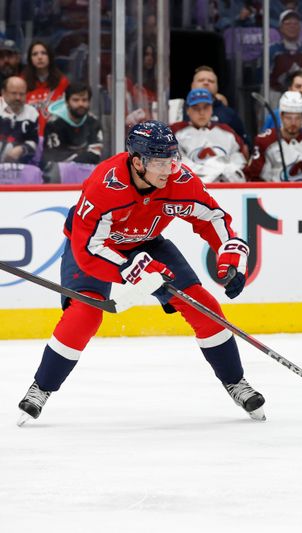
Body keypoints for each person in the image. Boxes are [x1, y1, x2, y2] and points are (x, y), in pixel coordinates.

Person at [16, 120, 265, 425]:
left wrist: (227, 255)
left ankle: (235, 382)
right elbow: (88, 249)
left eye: (172, 159)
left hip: (148, 243)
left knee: (203, 305)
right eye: (160, 162)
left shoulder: (178, 180)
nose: (168, 168)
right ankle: (41, 388)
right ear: (137, 162)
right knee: (85, 314)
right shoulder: (105, 185)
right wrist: (131, 269)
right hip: (95, 248)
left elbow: (211, 217)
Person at [245, 91, 302, 182]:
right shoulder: (265, 142)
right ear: (281, 116)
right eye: (289, 118)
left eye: (298, 118)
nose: (293, 123)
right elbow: (257, 179)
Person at [171, 88, 248, 183]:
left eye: (206, 107)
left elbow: (240, 162)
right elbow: (176, 163)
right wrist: (210, 172)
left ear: (212, 109)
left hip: (227, 187)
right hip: (193, 188)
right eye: (196, 108)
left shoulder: (227, 132)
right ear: (188, 111)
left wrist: (225, 170)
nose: (201, 113)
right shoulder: (177, 133)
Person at [41, 82, 103, 177]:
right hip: (58, 175)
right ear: (67, 102)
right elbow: (53, 156)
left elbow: (94, 155)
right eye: (76, 100)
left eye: (84, 100)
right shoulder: (53, 123)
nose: (80, 104)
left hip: (86, 173)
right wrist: (81, 154)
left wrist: (72, 157)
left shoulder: (93, 122)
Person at [188, 66, 249, 148]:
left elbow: (244, 146)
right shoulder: (178, 109)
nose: (206, 83)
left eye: (211, 81)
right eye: (201, 80)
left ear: (217, 86)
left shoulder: (229, 114)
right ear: (192, 85)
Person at [22, 40, 69, 136]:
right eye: (35, 54)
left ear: (50, 57)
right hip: (27, 134)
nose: (39, 57)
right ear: (30, 59)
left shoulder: (62, 82)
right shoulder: (22, 81)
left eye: (43, 53)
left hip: (55, 134)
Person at [268, 9, 302, 94]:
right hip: (276, 93)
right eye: (288, 23)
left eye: (295, 23)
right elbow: (263, 78)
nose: (292, 26)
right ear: (281, 28)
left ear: (300, 28)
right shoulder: (272, 49)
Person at [0, 76, 39, 164]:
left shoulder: (32, 113)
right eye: (14, 93)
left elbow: (34, 142)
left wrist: (22, 149)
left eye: (22, 94)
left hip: (19, 164)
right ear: (3, 93)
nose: (18, 98)